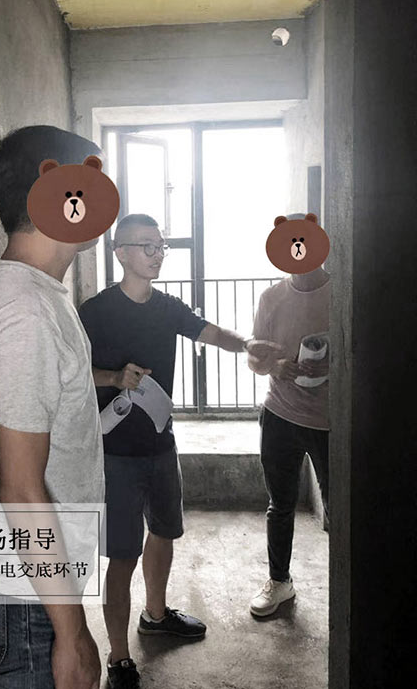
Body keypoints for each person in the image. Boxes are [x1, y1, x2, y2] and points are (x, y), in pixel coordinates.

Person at [78, 213, 282, 689]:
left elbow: (212, 332)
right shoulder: (95, 311)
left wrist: (249, 344)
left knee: (164, 531)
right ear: (120, 252)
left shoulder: (167, 307)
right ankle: (119, 658)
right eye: (147, 246)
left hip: (161, 443)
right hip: (115, 452)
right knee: (122, 556)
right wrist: (113, 378)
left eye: (161, 245)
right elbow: (68, 370)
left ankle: (155, 615)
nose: (158, 254)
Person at [0, 126, 106, 689]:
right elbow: (20, 490)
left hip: (36, 591)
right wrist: (72, 635)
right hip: (28, 606)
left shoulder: (38, 295)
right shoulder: (25, 313)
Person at [247, 235, 330, 617]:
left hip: (330, 420)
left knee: (340, 508)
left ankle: (347, 585)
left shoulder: (341, 293)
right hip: (280, 414)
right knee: (280, 505)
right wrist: (275, 366)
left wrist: (332, 364)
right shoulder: (272, 298)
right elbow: (255, 359)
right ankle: (279, 581)